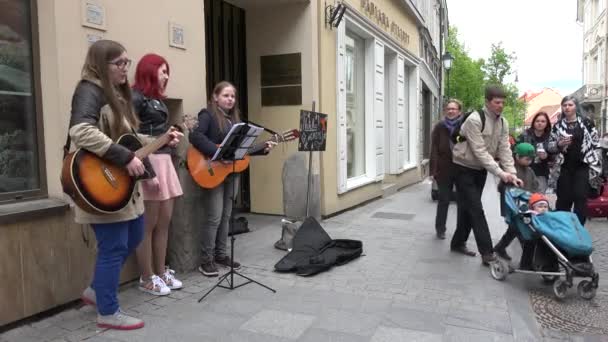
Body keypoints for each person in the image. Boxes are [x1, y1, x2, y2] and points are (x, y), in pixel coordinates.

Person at [72, 40, 179, 330]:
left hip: (122, 185)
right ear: (101, 64)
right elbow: (81, 131)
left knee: (133, 235)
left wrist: (162, 139)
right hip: (99, 183)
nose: (124, 69)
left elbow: (130, 139)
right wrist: (125, 156)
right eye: (118, 63)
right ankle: (108, 311)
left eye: (126, 63)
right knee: (114, 245)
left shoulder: (118, 95)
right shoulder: (89, 90)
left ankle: (96, 290)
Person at [189, 81, 277, 277]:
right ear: (215, 97)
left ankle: (221, 255)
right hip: (212, 170)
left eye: (232, 96)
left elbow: (242, 151)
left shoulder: (235, 121)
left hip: (231, 173)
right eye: (226, 95)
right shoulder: (208, 115)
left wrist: (264, 149)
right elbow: (196, 137)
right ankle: (206, 260)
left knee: (226, 216)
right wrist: (219, 152)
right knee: (214, 217)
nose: (230, 99)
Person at [450, 85, 523, 266]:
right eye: (497, 102)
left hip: (480, 170)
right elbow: (480, 152)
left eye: (503, 103)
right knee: (476, 209)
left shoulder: (503, 122)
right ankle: (487, 252)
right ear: (487, 102)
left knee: (468, 208)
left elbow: (505, 149)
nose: (501, 106)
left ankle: (457, 243)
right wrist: (500, 173)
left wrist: (512, 173)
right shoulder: (475, 120)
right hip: (463, 168)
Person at [132, 54, 184, 296]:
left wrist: (171, 140)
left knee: (164, 223)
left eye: (167, 71)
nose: (166, 76)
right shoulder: (136, 97)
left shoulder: (157, 99)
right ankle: (146, 277)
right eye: (163, 70)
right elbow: (129, 137)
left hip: (164, 160)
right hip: (148, 161)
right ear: (149, 71)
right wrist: (145, 168)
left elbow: (158, 133)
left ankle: (161, 271)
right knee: (148, 225)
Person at [547, 95, 601, 225]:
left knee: (580, 198)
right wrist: (559, 144)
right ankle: (563, 230)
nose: (567, 107)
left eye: (570, 105)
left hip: (582, 166)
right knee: (563, 199)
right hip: (564, 166)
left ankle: (578, 230)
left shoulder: (587, 123)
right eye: (564, 105)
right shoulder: (558, 125)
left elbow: (596, 143)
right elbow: (550, 145)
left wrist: (596, 164)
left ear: (576, 107)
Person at [493, 142, 540, 261]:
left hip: (525, 206)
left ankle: (500, 247)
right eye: (527, 159)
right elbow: (501, 187)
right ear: (517, 157)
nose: (529, 161)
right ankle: (529, 259)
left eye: (531, 159)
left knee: (514, 229)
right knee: (522, 232)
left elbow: (535, 187)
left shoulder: (530, 171)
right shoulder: (510, 171)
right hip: (512, 206)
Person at [430, 99, 462, 240]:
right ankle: (440, 229)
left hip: (461, 168)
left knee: (462, 202)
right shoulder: (439, 127)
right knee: (443, 200)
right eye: (448, 109)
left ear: (459, 111)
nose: (450, 111)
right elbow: (434, 149)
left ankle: (460, 232)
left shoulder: (464, 126)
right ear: (445, 111)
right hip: (444, 169)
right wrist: (433, 171)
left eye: (453, 109)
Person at [517, 111, 553, 193]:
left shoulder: (550, 136)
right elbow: (516, 150)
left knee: (538, 199)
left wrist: (546, 157)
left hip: (542, 172)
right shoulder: (525, 135)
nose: (540, 123)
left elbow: (555, 155)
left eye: (543, 121)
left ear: (547, 123)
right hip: (525, 171)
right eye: (537, 121)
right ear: (533, 122)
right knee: (525, 197)